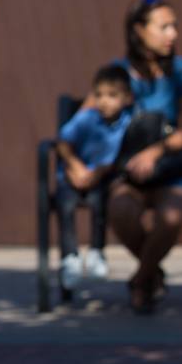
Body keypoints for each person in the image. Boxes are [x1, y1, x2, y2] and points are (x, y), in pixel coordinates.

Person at [106, 0, 182, 314]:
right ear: (139, 30)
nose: (172, 34)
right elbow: (92, 117)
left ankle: (141, 279)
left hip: (177, 165)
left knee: (170, 216)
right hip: (133, 171)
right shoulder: (119, 73)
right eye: (163, 26)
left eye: (174, 26)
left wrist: (154, 152)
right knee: (121, 210)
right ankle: (152, 271)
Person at [55, 64, 133, 288]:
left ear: (127, 98)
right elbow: (63, 142)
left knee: (100, 204)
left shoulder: (129, 122)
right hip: (74, 177)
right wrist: (74, 166)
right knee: (66, 204)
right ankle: (70, 257)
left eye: (112, 95)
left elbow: (122, 157)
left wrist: (99, 172)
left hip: (102, 179)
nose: (104, 101)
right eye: (98, 95)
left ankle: (97, 251)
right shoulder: (87, 118)